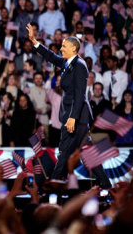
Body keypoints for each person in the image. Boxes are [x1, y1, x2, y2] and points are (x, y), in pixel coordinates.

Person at [26, 23, 111, 188]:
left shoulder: (79, 66)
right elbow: (51, 56)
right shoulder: (68, 63)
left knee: (65, 152)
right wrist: (34, 41)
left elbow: (80, 94)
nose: (61, 48)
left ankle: (55, 185)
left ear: (74, 49)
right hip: (75, 117)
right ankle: (107, 186)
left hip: (76, 118)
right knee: (86, 153)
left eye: (64, 46)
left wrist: (72, 117)